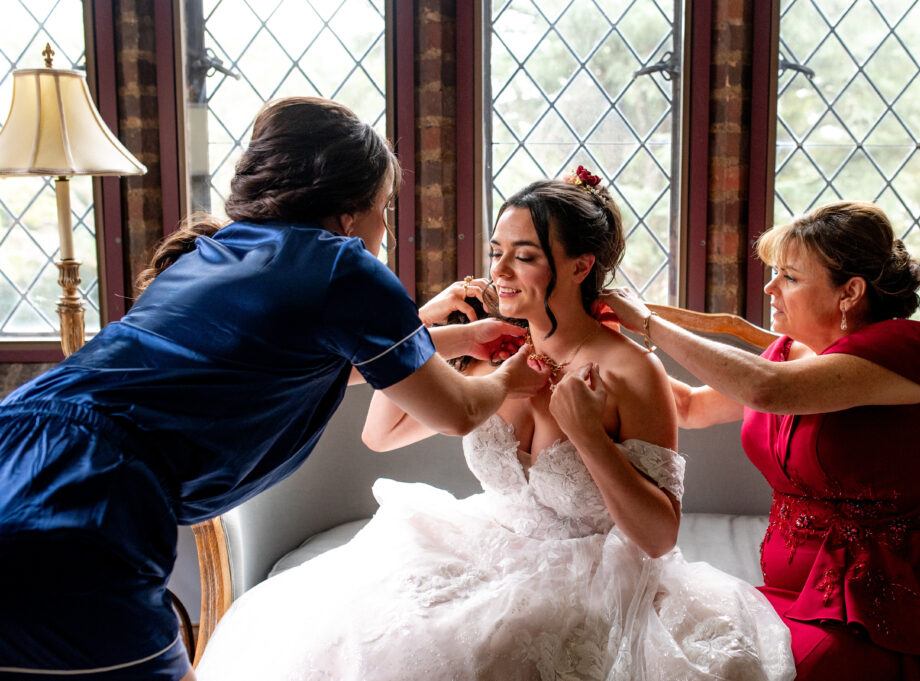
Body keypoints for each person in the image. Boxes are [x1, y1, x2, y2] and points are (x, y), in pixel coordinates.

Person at [0, 96, 548, 681]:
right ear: (348, 214)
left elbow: (307, 361)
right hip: (89, 492)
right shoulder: (343, 266)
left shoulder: (217, 251)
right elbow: (460, 411)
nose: (385, 228)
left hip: (20, 441)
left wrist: (455, 342)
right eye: (384, 208)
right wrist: (515, 372)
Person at [193, 170, 796, 681]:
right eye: (496, 252)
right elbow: (384, 434)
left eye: (525, 256)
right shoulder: (490, 348)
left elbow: (659, 536)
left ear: (580, 265)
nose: (500, 271)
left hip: (592, 574)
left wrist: (588, 438)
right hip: (484, 545)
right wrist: (423, 326)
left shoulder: (629, 370)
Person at [593, 201, 920, 680]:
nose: (770, 288)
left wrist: (648, 322)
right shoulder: (788, 352)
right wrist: (604, 341)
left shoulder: (903, 349)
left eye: (789, 277)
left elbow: (765, 388)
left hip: (890, 601)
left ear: (850, 292)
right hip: (796, 591)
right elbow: (689, 407)